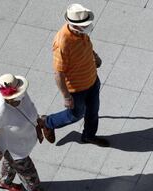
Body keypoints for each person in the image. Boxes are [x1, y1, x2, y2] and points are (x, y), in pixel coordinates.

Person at [38, 3, 109, 147]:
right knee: (75, 114)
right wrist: (66, 96)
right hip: (76, 89)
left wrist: (95, 57)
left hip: (92, 79)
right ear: (75, 26)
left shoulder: (81, 33)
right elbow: (59, 73)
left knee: (93, 110)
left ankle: (88, 136)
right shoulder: (63, 43)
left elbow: (87, 46)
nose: (87, 28)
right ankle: (47, 122)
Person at [0, 73, 44, 191]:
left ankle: (4, 181)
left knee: (10, 163)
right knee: (30, 177)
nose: (21, 94)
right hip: (15, 150)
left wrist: (38, 130)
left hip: (24, 140)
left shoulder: (22, 94)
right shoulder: (0, 111)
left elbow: (31, 110)